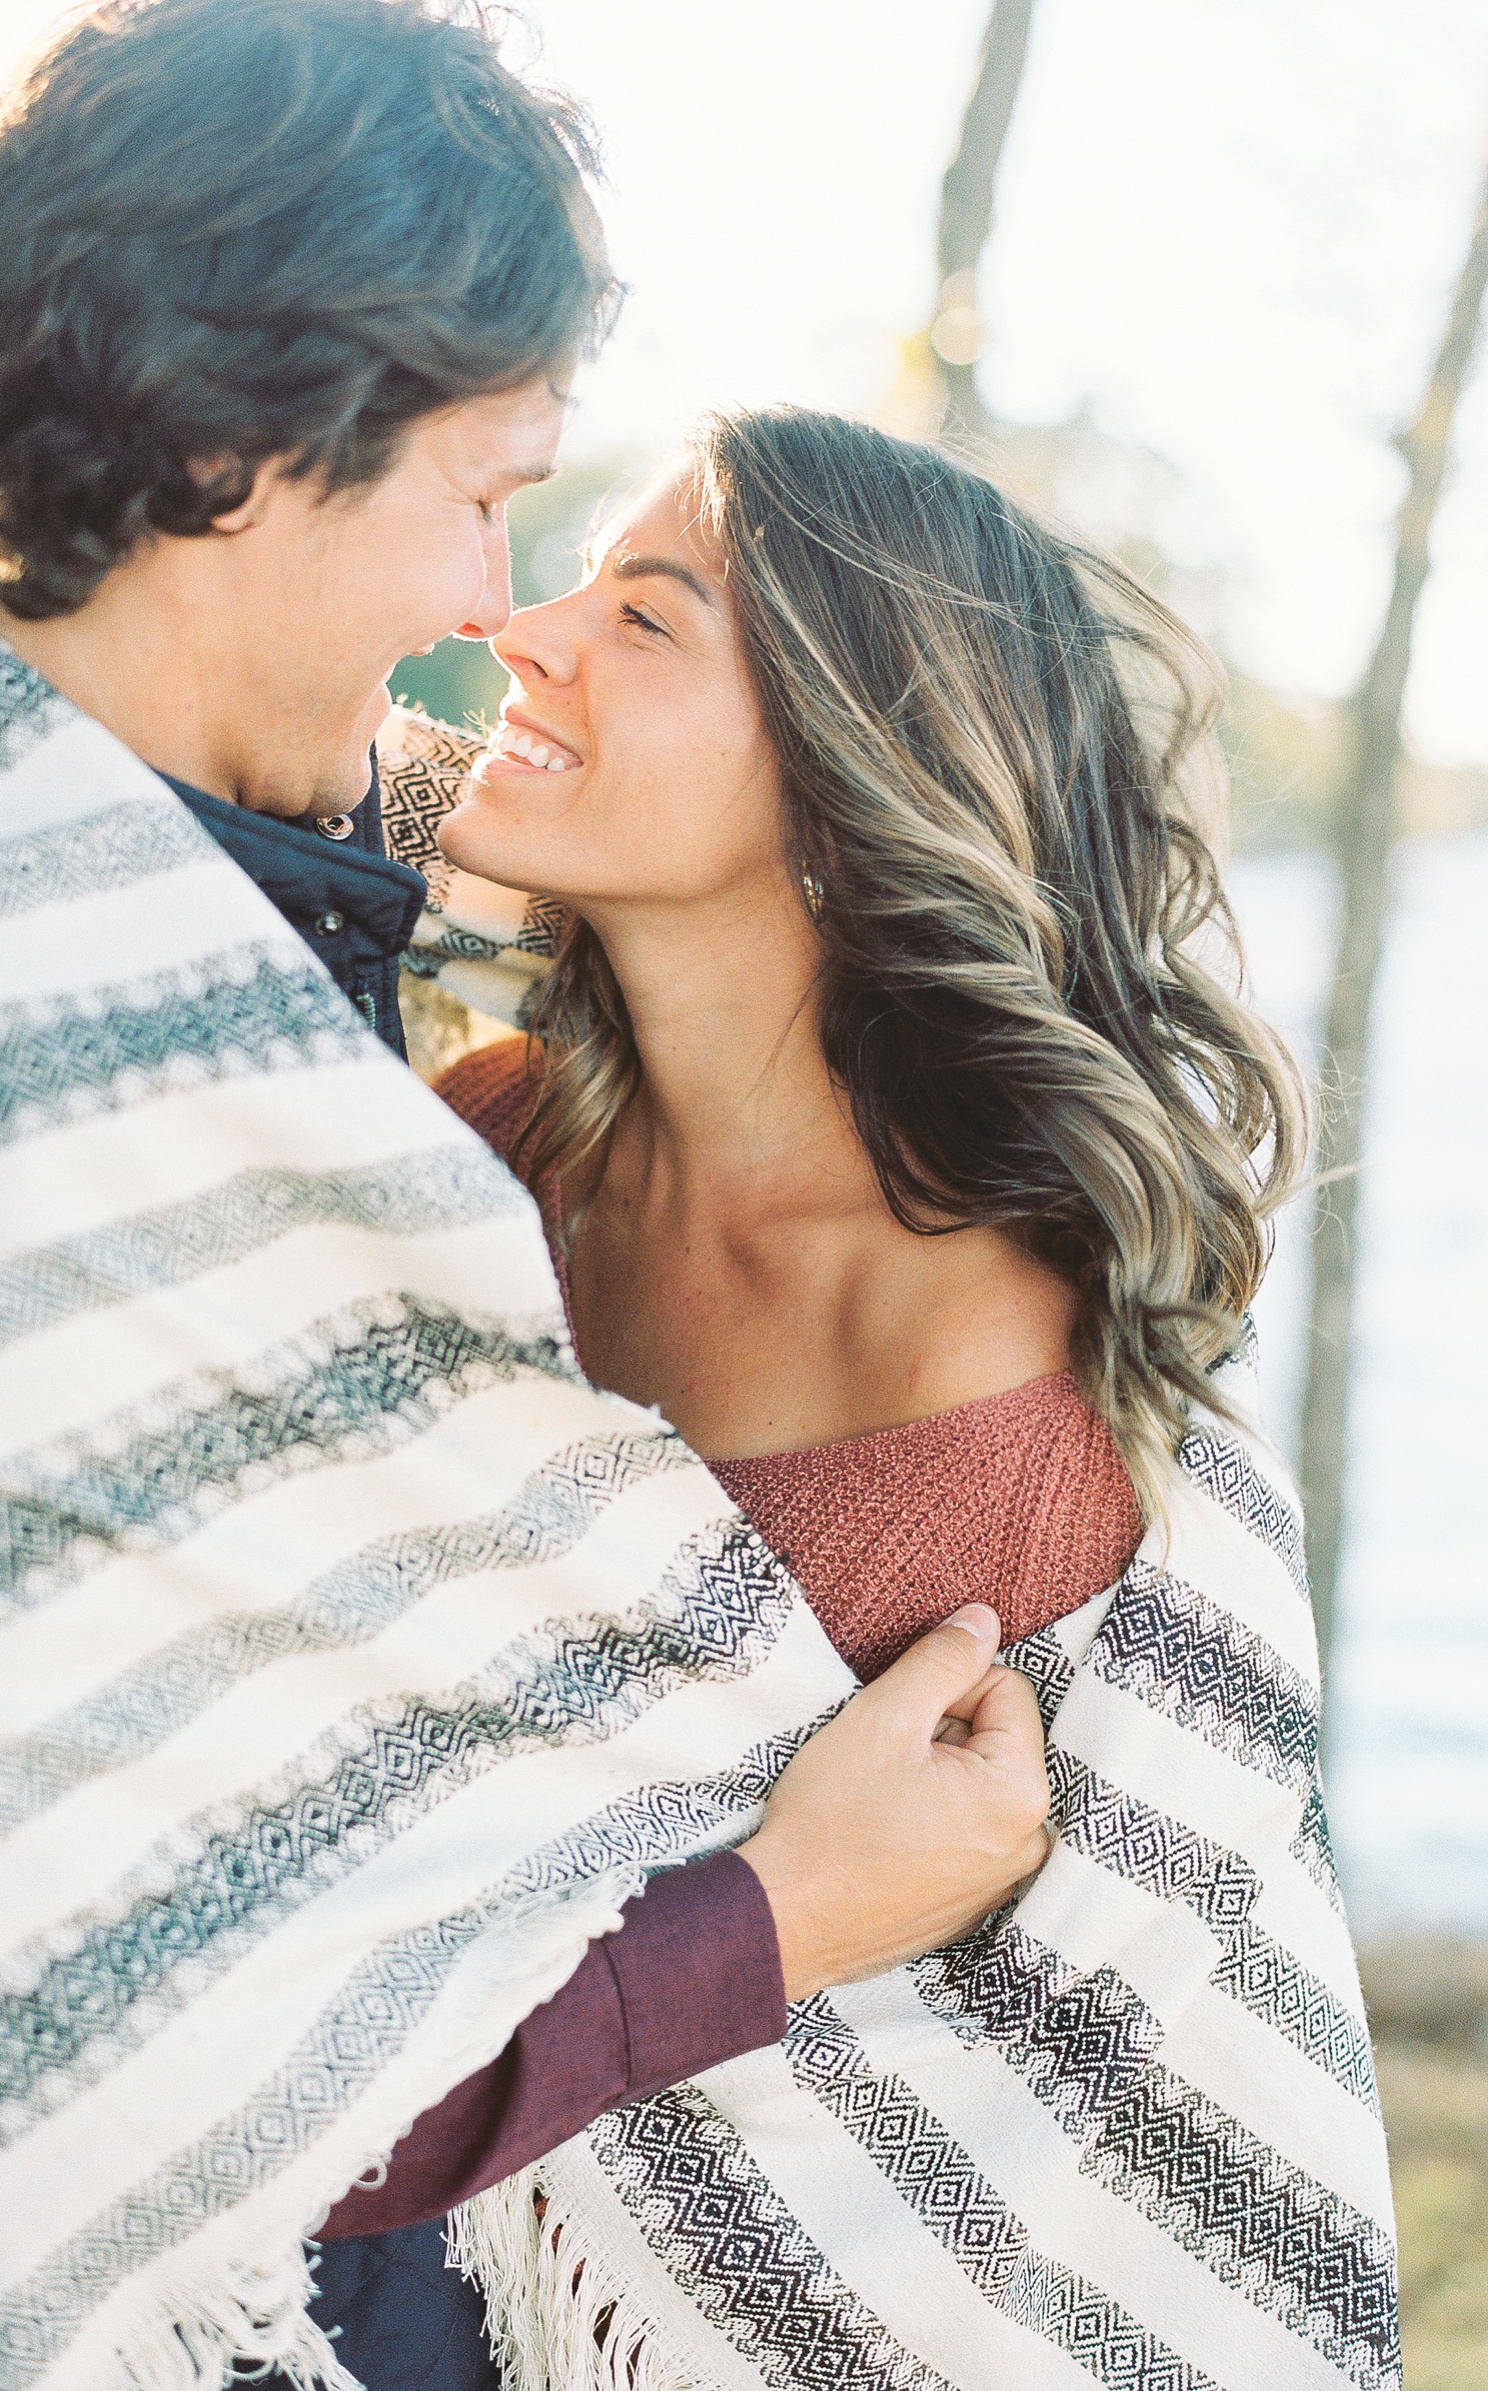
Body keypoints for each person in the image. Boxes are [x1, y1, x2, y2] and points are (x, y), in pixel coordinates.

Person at [0, 10, 1051, 2390]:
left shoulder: (155, 912)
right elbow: (112, 2060)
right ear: (242, 450)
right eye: (487, 494)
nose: (483, 602)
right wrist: (785, 1907)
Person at [364, 410, 1401, 2390]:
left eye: (642, 617)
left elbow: (1050, 2080)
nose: (526, 630)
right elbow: (247, 740)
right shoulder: (490, 1153)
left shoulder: (1002, 1376)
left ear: (848, 782)